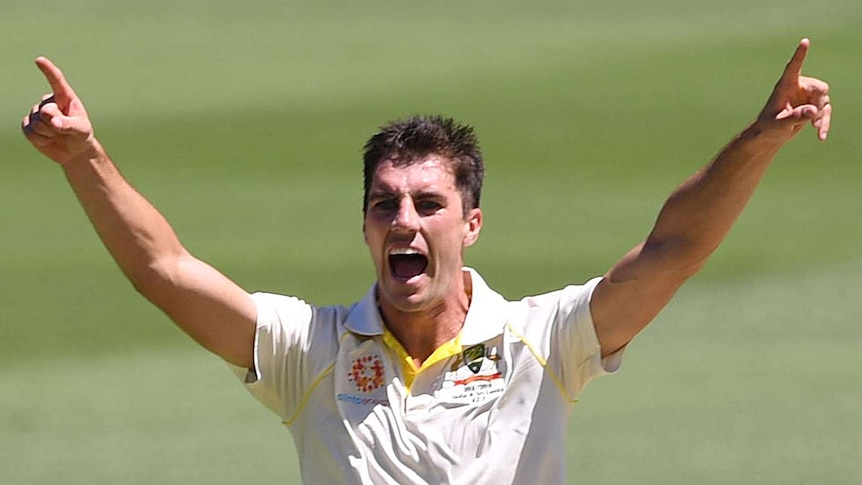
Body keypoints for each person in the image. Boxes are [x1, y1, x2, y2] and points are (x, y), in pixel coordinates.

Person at [21, 38, 831, 484]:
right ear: (366, 226)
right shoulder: (312, 351)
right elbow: (164, 270)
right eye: (385, 204)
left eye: (428, 203)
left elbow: (672, 250)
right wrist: (83, 156)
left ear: (471, 223)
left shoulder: (539, 341)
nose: (404, 220)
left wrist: (758, 142)